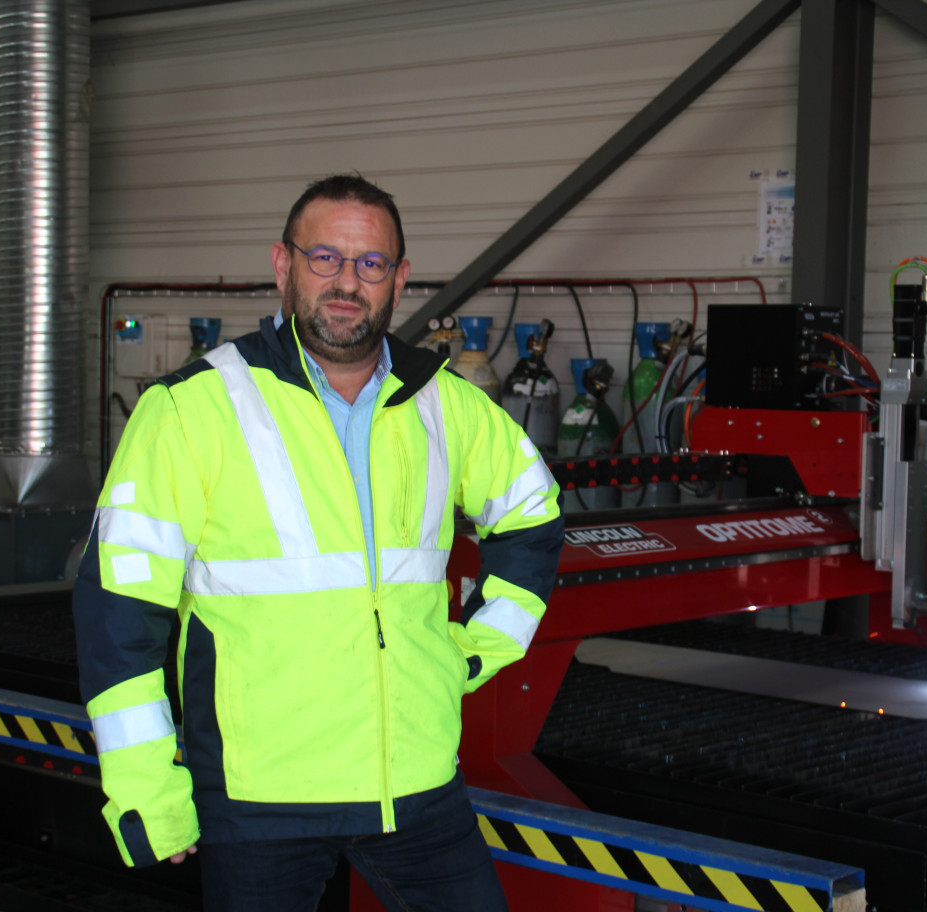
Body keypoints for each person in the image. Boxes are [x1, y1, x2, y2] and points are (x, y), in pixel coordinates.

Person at [72, 174, 564, 911]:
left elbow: (533, 514)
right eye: (324, 258)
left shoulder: (445, 404)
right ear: (283, 263)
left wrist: (474, 650)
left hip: (416, 787)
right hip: (262, 796)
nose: (346, 283)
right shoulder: (189, 409)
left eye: (370, 264)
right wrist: (147, 788)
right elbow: (119, 613)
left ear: (399, 279)